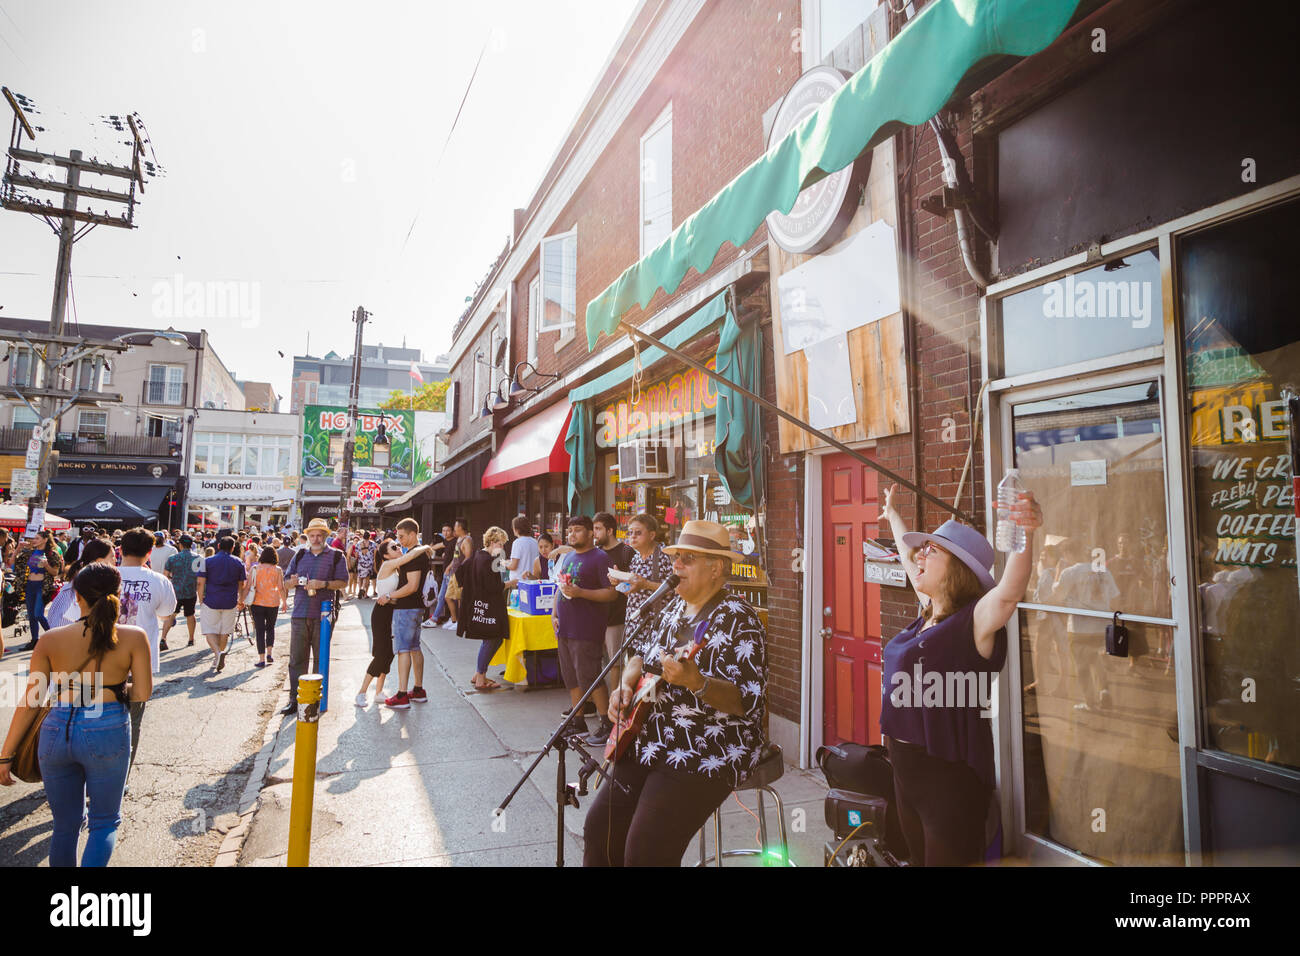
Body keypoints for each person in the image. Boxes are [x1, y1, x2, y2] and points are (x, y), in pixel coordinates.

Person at [584, 520, 767, 867]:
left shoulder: (739, 619)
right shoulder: (672, 608)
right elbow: (640, 657)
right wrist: (625, 686)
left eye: (687, 558)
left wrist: (697, 682)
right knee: (600, 831)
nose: (676, 565)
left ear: (716, 568)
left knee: (645, 851)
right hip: (648, 737)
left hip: (705, 746)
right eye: (675, 557)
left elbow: (747, 701)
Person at [879, 482, 1042, 866]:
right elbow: (906, 555)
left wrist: (1026, 535)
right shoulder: (929, 612)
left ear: (958, 569)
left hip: (949, 782)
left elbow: (1009, 593)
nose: (919, 555)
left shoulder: (973, 624)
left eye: (931, 551)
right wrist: (893, 515)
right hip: (905, 774)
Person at [0, 564, 152, 867]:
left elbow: (31, 700)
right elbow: (143, 693)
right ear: (118, 595)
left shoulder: (50, 639)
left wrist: (5, 756)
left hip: (56, 727)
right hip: (106, 726)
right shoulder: (133, 636)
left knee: (65, 825)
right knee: (104, 821)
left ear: (77, 596)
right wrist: (110, 688)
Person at [553, 516, 617, 743]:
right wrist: (554, 614)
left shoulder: (601, 558)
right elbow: (560, 587)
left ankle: (607, 723)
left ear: (591, 533)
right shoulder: (568, 556)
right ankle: (577, 721)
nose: (572, 534)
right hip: (565, 626)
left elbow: (611, 593)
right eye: (570, 530)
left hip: (587, 627)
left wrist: (582, 593)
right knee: (571, 676)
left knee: (590, 676)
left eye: (578, 530)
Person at [281, 518, 349, 715]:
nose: (316, 538)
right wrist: (291, 582)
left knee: (321, 659)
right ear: (308, 537)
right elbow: (285, 582)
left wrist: (323, 584)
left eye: (320, 535)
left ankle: (319, 699)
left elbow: (343, 582)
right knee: (297, 659)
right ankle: (295, 699)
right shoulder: (301, 553)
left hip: (323, 614)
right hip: (300, 612)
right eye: (312, 535)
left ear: (326, 536)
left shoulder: (336, 556)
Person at [357, 540, 430, 706]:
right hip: (382, 613)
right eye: (394, 547)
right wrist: (426, 546)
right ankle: (361, 692)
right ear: (386, 555)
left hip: (393, 612)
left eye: (398, 545)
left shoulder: (396, 568)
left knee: (389, 654)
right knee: (381, 654)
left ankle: (378, 692)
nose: (399, 548)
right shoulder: (388, 565)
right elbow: (409, 555)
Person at [1052, 537, 1121, 711]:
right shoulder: (1103, 571)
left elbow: (1057, 595)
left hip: (1079, 628)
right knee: (1096, 659)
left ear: (1068, 553)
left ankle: (1090, 702)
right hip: (1102, 626)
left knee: (1082, 665)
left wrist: (1058, 573)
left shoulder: (1070, 572)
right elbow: (1115, 598)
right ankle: (1104, 691)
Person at [376, 518, 431, 709]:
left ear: (413, 534)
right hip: (414, 607)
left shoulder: (415, 556)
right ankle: (417, 689)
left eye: (401, 537)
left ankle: (401, 694)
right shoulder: (416, 554)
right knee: (414, 648)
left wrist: (389, 595)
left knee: (404, 650)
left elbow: (412, 586)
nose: (399, 541)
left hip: (407, 608)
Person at [593, 512, 635, 741]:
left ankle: (615, 714)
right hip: (596, 618)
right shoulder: (596, 553)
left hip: (617, 617)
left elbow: (635, 584)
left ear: (609, 530)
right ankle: (602, 710)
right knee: (597, 665)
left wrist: (622, 582)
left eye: (598, 528)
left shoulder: (626, 552)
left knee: (615, 665)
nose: (595, 533)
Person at [117, 527, 177, 675]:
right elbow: (165, 614)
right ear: (149, 553)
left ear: (120, 550)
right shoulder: (160, 581)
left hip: (105, 657)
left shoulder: (101, 576)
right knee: (138, 696)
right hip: (142, 657)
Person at [458, 527, 510, 690]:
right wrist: (510, 584)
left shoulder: (480, 556)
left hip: (482, 605)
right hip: (488, 606)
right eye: (501, 544)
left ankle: (479, 674)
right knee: (491, 639)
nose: (502, 548)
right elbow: (493, 586)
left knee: (494, 639)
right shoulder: (485, 559)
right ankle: (481, 677)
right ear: (493, 542)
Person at [196, 536, 247, 675]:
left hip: (211, 599)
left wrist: (200, 599)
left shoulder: (207, 561)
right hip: (230, 600)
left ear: (218, 546)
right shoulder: (238, 562)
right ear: (232, 548)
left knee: (209, 630)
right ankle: (218, 655)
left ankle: (217, 654)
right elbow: (242, 584)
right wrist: (241, 599)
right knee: (225, 631)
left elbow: (200, 582)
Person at [624, 513, 674, 622]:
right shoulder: (636, 557)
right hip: (634, 620)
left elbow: (675, 590)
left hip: (655, 622)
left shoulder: (665, 556)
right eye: (630, 532)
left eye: (638, 533)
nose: (632, 536)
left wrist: (647, 584)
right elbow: (630, 590)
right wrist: (619, 582)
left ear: (651, 535)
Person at [246, 546, 288, 667]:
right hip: (273, 602)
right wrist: (284, 602)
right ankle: (270, 653)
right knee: (270, 628)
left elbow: (248, 586)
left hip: (257, 603)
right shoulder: (278, 570)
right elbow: (280, 587)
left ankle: (261, 658)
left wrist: (242, 600)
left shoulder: (255, 568)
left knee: (259, 630)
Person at [18, 530, 55, 650]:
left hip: (41, 586)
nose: (34, 540)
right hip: (29, 585)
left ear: (45, 540)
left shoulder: (51, 554)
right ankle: (34, 640)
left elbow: (55, 572)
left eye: (37, 538)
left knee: (38, 614)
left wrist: (46, 566)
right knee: (31, 615)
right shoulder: (30, 552)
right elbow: (13, 564)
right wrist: (18, 548)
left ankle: (54, 637)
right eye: (34, 538)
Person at [163, 535, 201, 648]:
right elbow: (200, 579)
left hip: (175, 591)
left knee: (171, 615)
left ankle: (163, 638)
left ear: (180, 544)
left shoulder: (172, 558)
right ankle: (191, 639)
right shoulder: (198, 558)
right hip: (190, 591)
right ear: (191, 544)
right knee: (190, 615)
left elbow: (165, 576)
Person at [433, 518, 469, 627]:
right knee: (448, 597)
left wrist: (457, 569)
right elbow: (455, 557)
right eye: (444, 531)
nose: (453, 530)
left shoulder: (465, 540)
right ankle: (454, 620)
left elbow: (467, 557)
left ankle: (458, 622)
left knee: (457, 598)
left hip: (457, 573)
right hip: (451, 572)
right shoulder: (455, 540)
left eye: (454, 527)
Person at [147, 531, 179, 649]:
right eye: (155, 537)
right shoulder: (149, 549)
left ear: (165, 538)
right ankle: (152, 638)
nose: (157, 539)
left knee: (166, 611)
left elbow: (175, 565)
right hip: (150, 582)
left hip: (166, 583)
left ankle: (163, 638)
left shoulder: (171, 550)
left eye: (160, 537)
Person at [504, 515, 539, 592]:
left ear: (517, 529)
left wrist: (505, 564)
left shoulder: (517, 542)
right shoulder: (535, 542)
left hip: (518, 583)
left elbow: (513, 566)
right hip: (531, 582)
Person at [356, 532, 378, 599]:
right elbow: (375, 553)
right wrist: (374, 561)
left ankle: (360, 589)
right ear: (369, 536)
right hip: (369, 562)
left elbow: (356, 554)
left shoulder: (358, 543)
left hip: (361, 562)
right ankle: (365, 594)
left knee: (360, 577)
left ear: (363, 536)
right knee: (367, 578)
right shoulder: (373, 543)